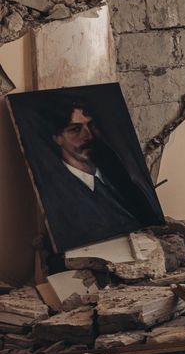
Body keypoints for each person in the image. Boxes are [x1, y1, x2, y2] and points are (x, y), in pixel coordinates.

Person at [38, 97, 164, 250]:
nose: (88, 136)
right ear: (57, 138)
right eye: (75, 129)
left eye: (91, 126)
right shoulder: (55, 193)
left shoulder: (121, 176)